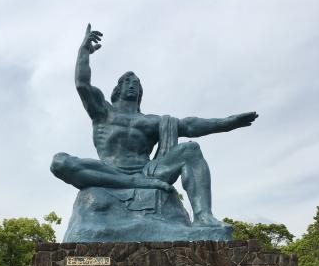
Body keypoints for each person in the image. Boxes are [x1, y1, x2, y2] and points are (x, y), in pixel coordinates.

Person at [51, 24, 258, 228]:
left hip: (147, 172)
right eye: (127, 81)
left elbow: (190, 125)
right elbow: (82, 84)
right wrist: (83, 51)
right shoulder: (103, 111)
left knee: (190, 150)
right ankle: (131, 184)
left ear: (141, 92)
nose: (133, 84)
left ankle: (204, 216)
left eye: (137, 83)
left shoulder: (151, 121)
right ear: (117, 88)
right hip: (109, 170)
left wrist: (227, 123)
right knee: (60, 162)